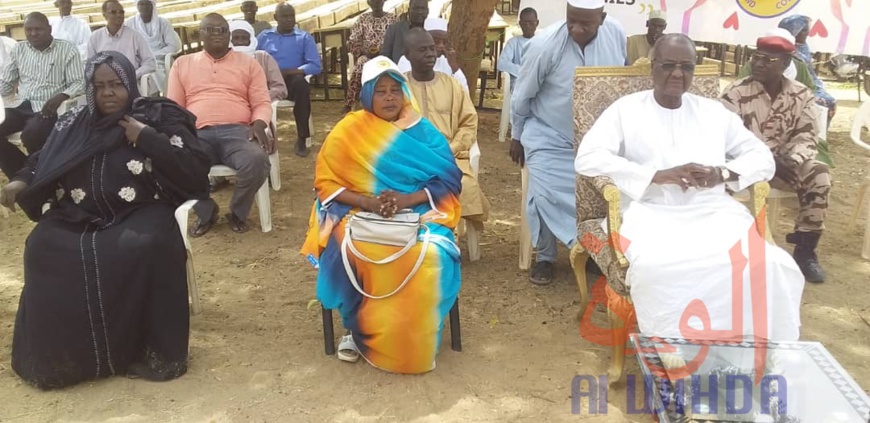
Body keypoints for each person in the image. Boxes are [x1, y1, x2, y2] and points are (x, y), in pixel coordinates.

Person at [0, 51, 210, 390]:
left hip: (141, 211)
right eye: (98, 86)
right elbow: (44, 159)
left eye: (115, 84)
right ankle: (60, 358)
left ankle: (141, 352)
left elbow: (194, 169)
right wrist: (20, 181)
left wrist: (147, 138)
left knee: (148, 244)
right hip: (79, 215)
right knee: (41, 247)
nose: (107, 93)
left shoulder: (158, 116)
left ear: (129, 83)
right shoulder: (74, 124)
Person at [574, 34, 805, 342]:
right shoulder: (625, 110)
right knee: (657, 268)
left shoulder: (713, 113)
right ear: (652, 67)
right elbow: (588, 158)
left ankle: (750, 348)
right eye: (668, 65)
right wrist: (655, 175)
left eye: (686, 67)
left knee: (773, 264)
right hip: (651, 215)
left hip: (714, 212)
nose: (678, 74)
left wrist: (721, 174)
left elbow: (761, 157)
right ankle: (674, 352)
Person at [300, 56, 462, 374]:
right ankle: (356, 329)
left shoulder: (423, 131)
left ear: (404, 93)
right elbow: (326, 184)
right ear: (367, 96)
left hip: (417, 209)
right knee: (346, 247)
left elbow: (448, 180)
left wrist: (406, 200)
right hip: (358, 210)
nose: (389, 97)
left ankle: (414, 339)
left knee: (431, 253)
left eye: (394, 90)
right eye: (380, 91)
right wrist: (369, 202)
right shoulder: (349, 129)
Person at [510, 0, 626, 285]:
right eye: (571, 20)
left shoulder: (616, 33)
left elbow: (617, 82)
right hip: (548, 134)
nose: (576, 28)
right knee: (546, 190)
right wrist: (516, 135)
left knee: (606, 189)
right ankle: (546, 257)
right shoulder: (544, 44)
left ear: (602, 17)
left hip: (596, 139)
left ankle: (593, 250)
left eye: (585, 23)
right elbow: (522, 95)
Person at [720, 31, 830, 283]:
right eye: (756, 58)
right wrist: (769, 162)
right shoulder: (735, 93)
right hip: (742, 168)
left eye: (768, 60)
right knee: (714, 178)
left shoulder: (801, 95)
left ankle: (805, 250)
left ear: (786, 64)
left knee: (819, 174)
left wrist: (793, 160)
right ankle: (719, 247)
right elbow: (726, 141)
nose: (758, 64)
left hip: (786, 167)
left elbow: (807, 136)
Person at [168, 13, 272, 236]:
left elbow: (262, 102)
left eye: (222, 30)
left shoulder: (249, 64)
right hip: (197, 133)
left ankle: (237, 212)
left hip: (238, 131)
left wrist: (259, 124)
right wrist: (180, 134)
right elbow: (174, 108)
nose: (217, 34)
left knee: (257, 161)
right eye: (211, 30)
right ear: (200, 34)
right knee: (174, 162)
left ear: (229, 35)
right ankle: (206, 211)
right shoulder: (182, 64)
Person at [404, 29, 489, 233]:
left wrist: (451, 148)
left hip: (449, 158)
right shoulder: (399, 88)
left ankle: (443, 237)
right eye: (423, 50)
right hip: (409, 161)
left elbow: (469, 123)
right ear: (407, 55)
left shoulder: (452, 85)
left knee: (464, 185)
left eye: (432, 48)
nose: (431, 54)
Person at [0, 12, 85, 180]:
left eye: (38, 29)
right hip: (22, 105)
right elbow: (6, 83)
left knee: (31, 135)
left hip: (50, 108)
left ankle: (38, 175)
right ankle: (22, 173)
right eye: (28, 30)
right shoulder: (19, 50)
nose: (33, 33)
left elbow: (79, 82)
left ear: (49, 29)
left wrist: (62, 95)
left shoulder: (66, 49)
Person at [257, 2, 321, 157]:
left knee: (301, 86)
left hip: (292, 80)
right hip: (267, 81)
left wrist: (293, 71)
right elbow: (254, 58)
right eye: (284, 16)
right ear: (275, 18)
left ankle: (302, 138)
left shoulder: (304, 37)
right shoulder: (264, 37)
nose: (288, 20)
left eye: (291, 16)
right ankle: (257, 137)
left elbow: (315, 65)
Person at [779, 15, 837, 123]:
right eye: (803, 30)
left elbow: (810, 76)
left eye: (807, 30)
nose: (807, 33)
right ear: (793, 31)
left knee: (829, 100)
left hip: (808, 84)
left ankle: (819, 132)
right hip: (791, 88)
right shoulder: (785, 51)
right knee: (825, 101)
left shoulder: (803, 47)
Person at [343, 0, 396, 114]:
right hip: (367, 56)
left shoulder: (393, 19)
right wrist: (365, 51)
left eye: (379, 1)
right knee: (361, 63)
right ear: (369, 2)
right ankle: (350, 102)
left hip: (387, 56)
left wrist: (385, 51)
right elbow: (352, 42)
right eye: (373, 1)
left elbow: (397, 40)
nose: (377, 3)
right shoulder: (363, 19)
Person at [87, 0, 157, 79]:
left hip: (130, 82)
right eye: (113, 12)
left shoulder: (134, 36)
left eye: (121, 12)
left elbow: (150, 63)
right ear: (104, 15)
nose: (119, 15)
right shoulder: (95, 37)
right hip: (104, 83)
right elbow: (90, 65)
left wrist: (133, 75)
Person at [397, 17, 468, 92]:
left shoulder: (447, 62)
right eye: (436, 41)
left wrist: (454, 66)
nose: (441, 46)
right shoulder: (407, 59)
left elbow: (463, 92)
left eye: (444, 42)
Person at [125, 0, 182, 93]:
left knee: (151, 76)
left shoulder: (163, 22)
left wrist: (152, 55)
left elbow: (173, 46)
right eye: (141, 4)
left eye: (147, 4)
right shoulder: (130, 23)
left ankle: (153, 100)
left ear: (152, 5)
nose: (144, 7)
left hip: (159, 60)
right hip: (138, 60)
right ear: (137, 6)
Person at [230, 20, 287, 103]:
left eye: (244, 38)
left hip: (261, 103)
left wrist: (261, 97)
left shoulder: (263, 57)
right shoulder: (223, 59)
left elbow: (280, 88)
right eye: (236, 38)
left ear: (251, 40)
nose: (240, 42)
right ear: (229, 40)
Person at [497, 7, 538, 89]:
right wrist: (523, 71)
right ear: (520, 23)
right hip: (519, 85)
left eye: (531, 23)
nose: (527, 26)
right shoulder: (513, 43)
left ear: (537, 23)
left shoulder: (543, 42)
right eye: (524, 23)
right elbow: (501, 64)